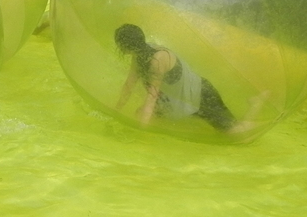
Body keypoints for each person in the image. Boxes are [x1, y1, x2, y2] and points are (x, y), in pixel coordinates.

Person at [114, 24, 266, 134]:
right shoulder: (138, 55)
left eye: (119, 44)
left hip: (201, 97)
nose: (119, 48)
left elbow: (152, 97)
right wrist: (116, 111)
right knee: (140, 115)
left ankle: (258, 110)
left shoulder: (158, 60)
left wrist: (142, 134)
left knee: (235, 133)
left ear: (128, 46)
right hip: (178, 101)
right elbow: (128, 86)